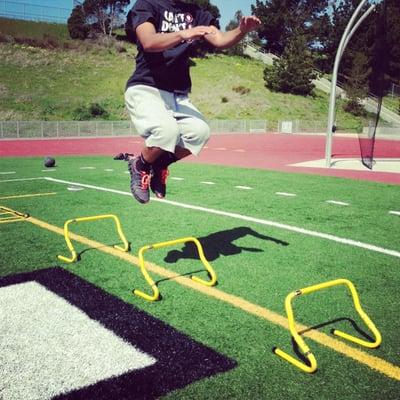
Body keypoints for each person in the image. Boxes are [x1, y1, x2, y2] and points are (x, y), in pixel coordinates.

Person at [125, 0, 261, 204]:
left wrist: (241, 31)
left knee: (200, 132)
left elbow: (220, 39)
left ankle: (160, 163)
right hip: (146, 87)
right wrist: (183, 33)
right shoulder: (147, 4)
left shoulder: (197, 13)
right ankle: (140, 165)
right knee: (167, 131)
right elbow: (149, 42)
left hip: (177, 93)